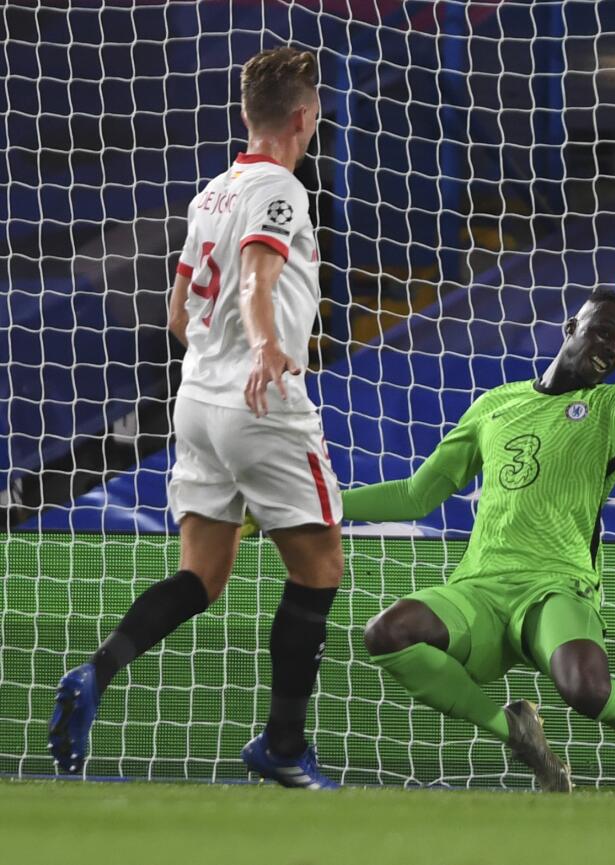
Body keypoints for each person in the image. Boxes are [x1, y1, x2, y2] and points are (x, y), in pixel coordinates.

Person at [339, 285, 615, 796]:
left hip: (555, 588)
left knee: (586, 689)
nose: (612, 350)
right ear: (570, 327)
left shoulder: (610, 406)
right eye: (603, 333)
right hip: (478, 590)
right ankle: (514, 729)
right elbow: (418, 495)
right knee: (387, 633)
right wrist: (321, 508)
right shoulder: (496, 405)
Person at [47, 46, 344, 789]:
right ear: (305, 118)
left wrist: (223, 350)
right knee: (320, 569)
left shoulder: (211, 192)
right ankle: (282, 744)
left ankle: (97, 669)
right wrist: (270, 345)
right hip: (259, 400)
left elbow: (179, 312)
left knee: (202, 575)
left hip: (198, 398)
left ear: (246, 115)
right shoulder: (282, 191)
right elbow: (257, 274)